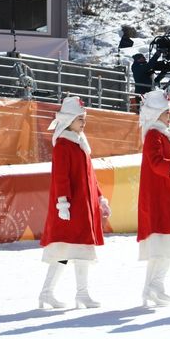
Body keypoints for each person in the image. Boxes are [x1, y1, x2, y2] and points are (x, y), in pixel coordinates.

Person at [39, 96, 111, 309]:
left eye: (84, 118)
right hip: (72, 207)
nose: (83, 122)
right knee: (73, 250)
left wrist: (99, 197)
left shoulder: (80, 143)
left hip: (83, 206)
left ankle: (49, 293)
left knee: (70, 251)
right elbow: (61, 177)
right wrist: (63, 204)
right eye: (80, 118)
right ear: (69, 119)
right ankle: (78, 294)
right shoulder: (63, 145)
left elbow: (91, 176)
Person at [137, 89, 170, 306]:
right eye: (167, 113)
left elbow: (168, 165)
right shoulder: (154, 135)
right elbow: (158, 164)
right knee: (164, 242)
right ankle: (153, 286)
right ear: (156, 114)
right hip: (159, 197)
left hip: (166, 194)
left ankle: (153, 287)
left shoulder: (162, 134)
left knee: (166, 243)